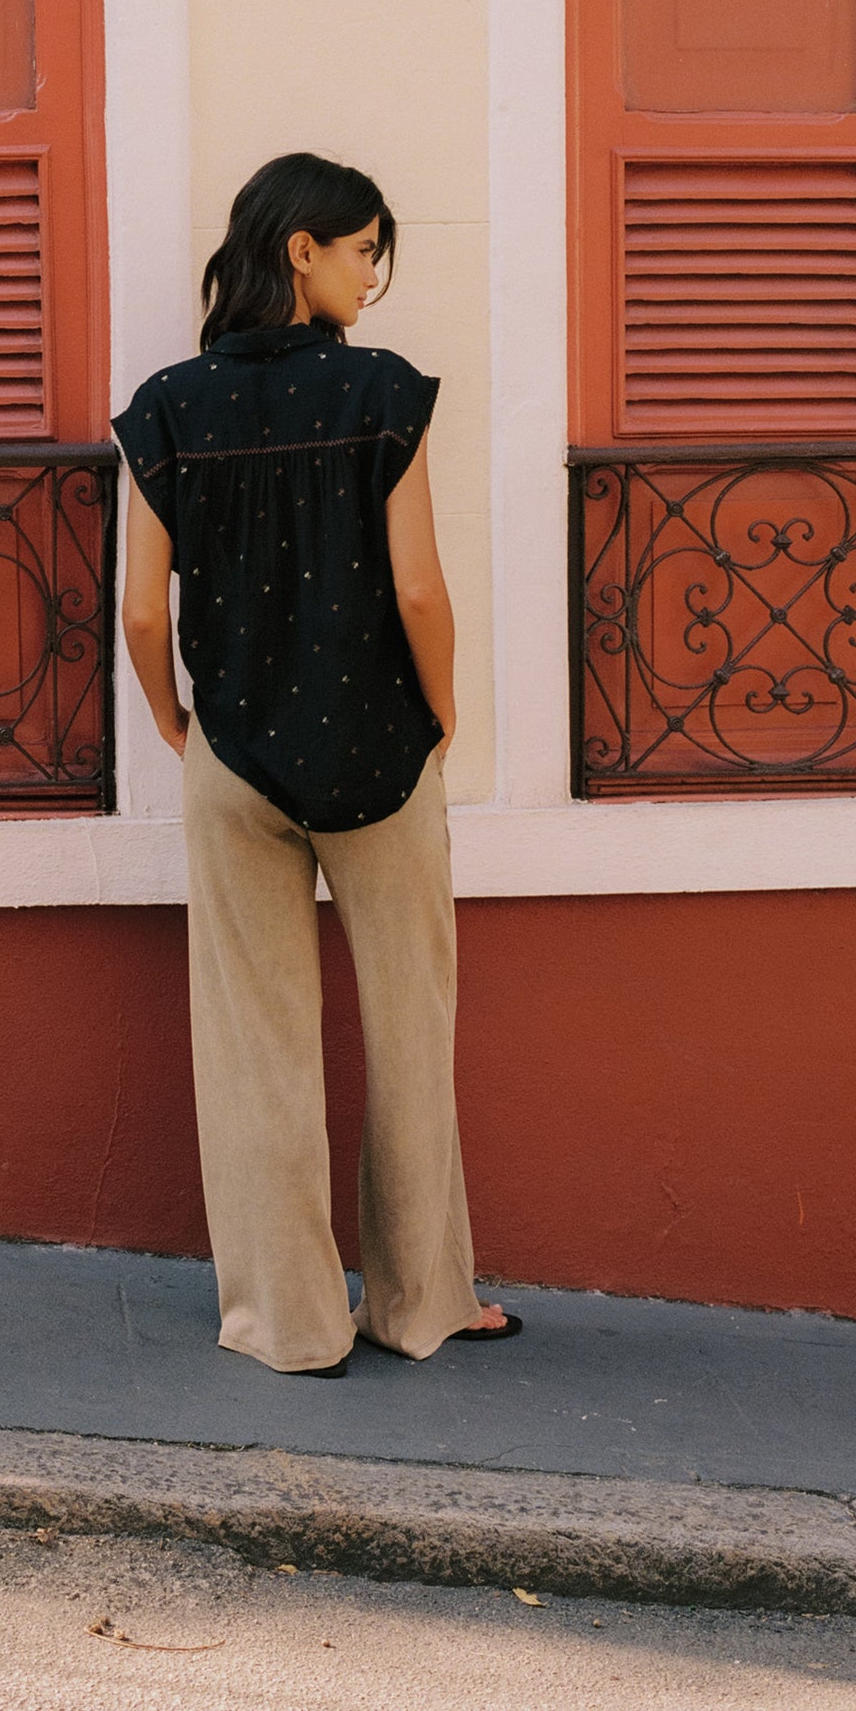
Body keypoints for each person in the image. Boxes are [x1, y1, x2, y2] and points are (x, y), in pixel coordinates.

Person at [112, 151, 520, 1376]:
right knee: (411, 1030)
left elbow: (139, 614)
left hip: (233, 753)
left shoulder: (169, 406)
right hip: (382, 755)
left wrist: (176, 724)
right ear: (301, 250)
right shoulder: (382, 394)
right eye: (359, 252)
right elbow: (418, 587)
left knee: (254, 1043)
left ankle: (286, 1324)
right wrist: (443, 713)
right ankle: (419, 1304)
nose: (368, 278)